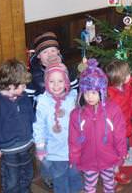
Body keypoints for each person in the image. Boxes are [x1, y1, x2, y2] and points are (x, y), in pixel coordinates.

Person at [69, 59, 127, 193]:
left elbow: (119, 133)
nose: (89, 96)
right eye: (86, 92)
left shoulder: (113, 110)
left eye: (94, 92)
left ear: (102, 91)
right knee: (89, 187)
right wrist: (74, 158)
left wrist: (122, 153)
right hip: (88, 160)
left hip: (109, 158)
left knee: (109, 184)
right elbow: (74, 140)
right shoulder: (76, 114)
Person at [0, 59, 34, 193]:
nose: (24, 88)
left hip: (26, 145)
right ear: (11, 86)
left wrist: (33, 133)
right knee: (11, 180)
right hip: (9, 150)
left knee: (27, 175)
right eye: (22, 85)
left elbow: (30, 116)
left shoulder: (23, 97)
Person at [33, 62, 83, 193]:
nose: (56, 85)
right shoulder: (43, 102)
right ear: (46, 82)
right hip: (55, 152)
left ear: (66, 81)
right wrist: (40, 147)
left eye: (60, 81)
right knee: (60, 180)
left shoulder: (72, 97)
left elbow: (81, 119)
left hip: (74, 150)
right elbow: (38, 126)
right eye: (51, 81)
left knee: (75, 177)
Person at [105, 59, 132, 186]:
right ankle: (112, 173)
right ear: (119, 78)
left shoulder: (127, 86)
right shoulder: (109, 95)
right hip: (114, 131)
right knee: (114, 152)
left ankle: (116, 166)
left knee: (123, 149)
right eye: (127, 74)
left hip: (125, 126)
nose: (130, 75)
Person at [26, 31, 78, 105]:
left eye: (53, 51)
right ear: (38, 56)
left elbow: (75, 89)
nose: (50, 55)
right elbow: (28, 99)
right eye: (45, 52)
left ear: (58, 52)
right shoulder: (32, 75)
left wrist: (67, 73)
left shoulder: (67, 69)